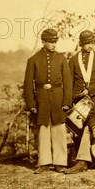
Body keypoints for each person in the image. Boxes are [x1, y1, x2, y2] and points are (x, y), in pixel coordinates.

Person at [23, 28, 72, 174]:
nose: (54, 44)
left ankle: (60, 162)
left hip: (58, 98)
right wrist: (31, 104)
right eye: (51, 42)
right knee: (43, 130)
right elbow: (27, 84)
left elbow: (67, 83)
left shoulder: (61, 58)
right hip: (42, 99)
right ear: (43, 41)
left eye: (55, 42)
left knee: (59, 130)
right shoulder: (33, 60)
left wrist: (66, 102)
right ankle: (44, 162)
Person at [68, 30, 95, 103]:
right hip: (77, 98)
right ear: (81, 44)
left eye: (92, 43)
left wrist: (89, 90)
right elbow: (70, 83)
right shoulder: (73, 60)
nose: (90, 46)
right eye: (87, 43)